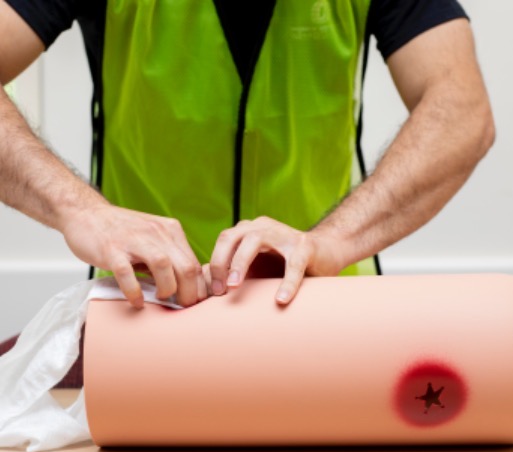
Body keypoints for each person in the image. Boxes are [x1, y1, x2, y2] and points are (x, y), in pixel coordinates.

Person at [0, 0, 495, 309]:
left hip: (323, 311)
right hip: (145, 313)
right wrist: (80, 210)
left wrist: (331, 243)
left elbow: (463, 111)